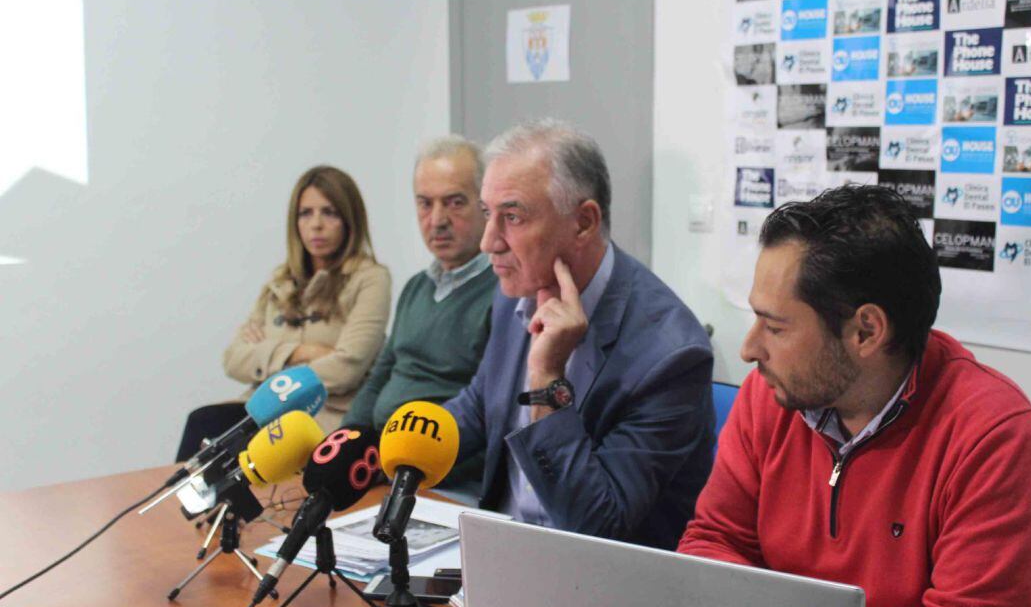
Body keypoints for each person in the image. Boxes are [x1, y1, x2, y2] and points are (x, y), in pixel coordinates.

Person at [678, 184, 1031, 607]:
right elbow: (712, 544)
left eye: (774, 327)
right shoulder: (770, 396)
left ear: (866, 332)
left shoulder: (993, 435)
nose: (750, 349)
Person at [444, 119, 715, 548]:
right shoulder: (516, 291)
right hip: (502, 555)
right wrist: (389, 453)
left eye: (512, 217)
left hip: (605, 587)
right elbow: (479, 406)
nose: (488, 242)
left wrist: (547, 378)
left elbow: (597, 525)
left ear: (584, 222)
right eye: (486, 215)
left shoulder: (670, 355)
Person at [177, 165, 391, 460]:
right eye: (306, 213)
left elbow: (346, 369)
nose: (316, 224)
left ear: (349, 220)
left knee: (228, 453)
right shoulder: (280, 281)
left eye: (329, 212)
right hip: (261, 409)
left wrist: (266, 354)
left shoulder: (371, 279)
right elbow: (234, 358)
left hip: (321, 416)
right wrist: (300, 352)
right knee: (202, 424)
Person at [342, 136, 496, 487]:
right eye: (425, 204)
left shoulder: (504, 293)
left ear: (485, 205)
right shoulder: (416, 287)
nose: (437, 220)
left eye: (454, 203)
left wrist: (404, 461)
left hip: (440, 480)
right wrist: (347, 442)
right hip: (383, 466)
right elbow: (381, 375)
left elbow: (486, 410)